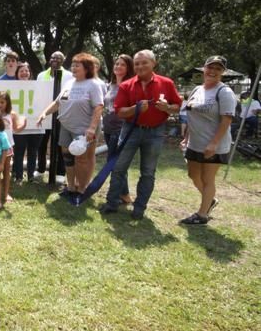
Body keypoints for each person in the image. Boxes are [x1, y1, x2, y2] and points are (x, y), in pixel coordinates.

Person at [99, 49, 182, 219]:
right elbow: (120, 112)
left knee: (148, 171)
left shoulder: (166, 83)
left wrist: (167, 108)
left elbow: (178, 106)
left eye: (144, 62)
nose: (140, 66)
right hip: (130, 129)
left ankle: (139, 208)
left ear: (153, 63)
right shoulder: (126, 85)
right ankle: (112, 203)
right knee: (119, 168)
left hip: (155, 132)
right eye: (137, 63)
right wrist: (134, 109)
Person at [36, 53, 104, 197]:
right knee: (67, 157)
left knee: (81, 159)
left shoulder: (93, 84)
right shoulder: (69, 83)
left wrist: (92, 128)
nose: (73, 67)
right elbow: (57, 103)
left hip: (84, 129)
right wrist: (44, 113)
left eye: (77, 65)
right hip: (66, 127)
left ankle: (82, 189)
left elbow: (99, 107)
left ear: (87, 68)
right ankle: (71, 186)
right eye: (72, 64)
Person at [179, 56, 236, 225]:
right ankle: (209, 199)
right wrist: (186, 138)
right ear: (204, 69)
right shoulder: (197, 90)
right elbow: (192, 115)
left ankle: (202, 215)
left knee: (207, 178)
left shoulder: (224, 92)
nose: (213, 71)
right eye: (210, 67)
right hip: (195, 143)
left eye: (218, 69)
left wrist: (214, 143)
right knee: (193, 174)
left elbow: (227, 120)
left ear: (223, 72)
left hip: (214, 144)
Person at [103, 54, 135, 205]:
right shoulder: (111, 85)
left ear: (128, 68)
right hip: (108, 128)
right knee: (115, 162)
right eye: (116, 64)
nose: (118, 67)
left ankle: (121, 195)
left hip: (121, 128)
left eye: (122, 65)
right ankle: (124, 194)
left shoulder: (130, 85)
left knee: (115, 163)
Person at [35, 51, 72, 181]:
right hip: (44, 113)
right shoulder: (41, 76)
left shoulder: (69, 76)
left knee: (60, 144)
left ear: (63, 60)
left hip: (61, 114)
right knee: (42, 144)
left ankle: (60, 173)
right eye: (52, 57)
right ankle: (40, 169)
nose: (55, 59)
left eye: (58, 58)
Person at [12, 62, 44, 183]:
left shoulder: (39, 87)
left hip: (36, 127)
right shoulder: (11, 88)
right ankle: (18, 177)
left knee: (33, 152)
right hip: (19, 128)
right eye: (21, 71)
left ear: (30, 73)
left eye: (27, 71)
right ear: (17, 74)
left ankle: (31, 177)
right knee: (18, 153)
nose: (24, 73)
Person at [0, 91, 27, 203]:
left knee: (6, 171)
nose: (0, 104)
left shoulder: (12, 114)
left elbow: (16, 129)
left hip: (7, 148)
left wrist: (24, 124)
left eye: (2, 102)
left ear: (7, 103)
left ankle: (6, 194)